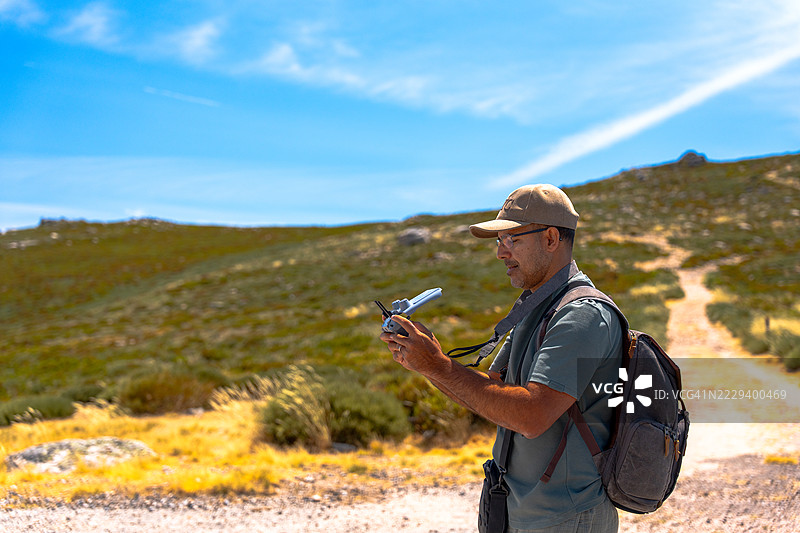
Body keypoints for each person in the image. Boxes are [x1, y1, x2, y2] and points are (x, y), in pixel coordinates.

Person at [380, 184, 622, 532]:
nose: (500, 253)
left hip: (566, 519)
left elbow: (531, 415)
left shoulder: (582, 315)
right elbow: (494, 391)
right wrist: (425, 360)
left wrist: (438, 365)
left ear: (551, 239)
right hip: (518, 513)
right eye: (499, 241)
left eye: (512, 240)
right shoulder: (537, 307)